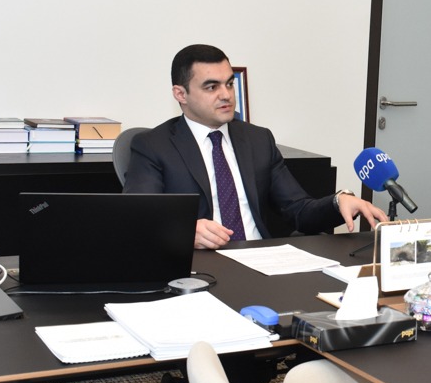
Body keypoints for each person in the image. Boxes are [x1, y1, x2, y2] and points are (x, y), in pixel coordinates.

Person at [124, 44, 386, 247]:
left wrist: (338, 202)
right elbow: (136, 218)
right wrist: (184, 231)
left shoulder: (258, 140)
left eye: (229, 84)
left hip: (260, 259)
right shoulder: (153, 146)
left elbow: (298, 209)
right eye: (211, 87)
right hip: (199, 266)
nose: (226, 95)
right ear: (181, 94)